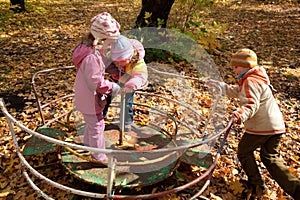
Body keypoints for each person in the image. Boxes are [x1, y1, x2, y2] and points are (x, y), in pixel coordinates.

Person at [210, 48, 300, 199]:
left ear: (247, 66)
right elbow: (237, 91)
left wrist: (239, 114)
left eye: (236, 66)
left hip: (262, 128)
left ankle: (256, 184)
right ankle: (296, 189)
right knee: (269, 157)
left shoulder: (250, 81)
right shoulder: (255, 78)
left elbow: (252, 104)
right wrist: (220, 86)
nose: (233, 69)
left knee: (244, 152)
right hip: (275, 127)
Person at [72, 12, 120, 162]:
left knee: (92, 123)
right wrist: (113, 87)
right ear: (100, 39)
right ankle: (98, 155)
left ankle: (88, 144)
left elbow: (103, 61)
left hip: (84, 93)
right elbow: (96, 82)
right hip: (90, 96)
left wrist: (115, 70)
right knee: (97, 125)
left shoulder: (89, 49)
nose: (111, 46)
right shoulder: (92, 56)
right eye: (110, 42)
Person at [104, 35, 148, 132]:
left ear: (130, 57)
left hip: (130, 81)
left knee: (127, 101)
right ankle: (99, 119)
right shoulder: (111, 56)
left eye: (122, 61)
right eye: (116, 62)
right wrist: (114, 71)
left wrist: (130, 86)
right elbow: (105, 64)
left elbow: (140, 76)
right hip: (117, 78)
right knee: (106, 97)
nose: (119, 64)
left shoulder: (137, 63)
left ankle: (127, 122)